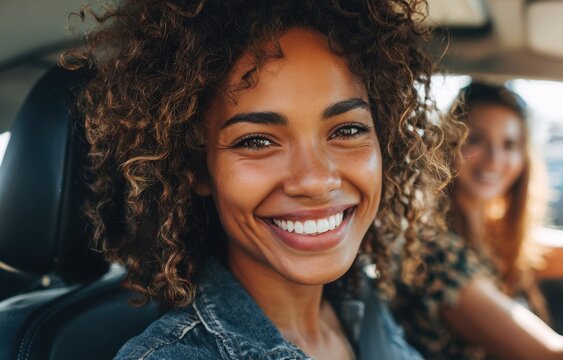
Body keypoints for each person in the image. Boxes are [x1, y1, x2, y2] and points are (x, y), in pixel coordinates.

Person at [62, 0, 462, 359]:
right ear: (197, 169)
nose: (316, 180)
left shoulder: (362, 307)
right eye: (256, 140)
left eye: (347, 130)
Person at [393, 81, 563, 359]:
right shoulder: (437, 253)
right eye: (476, 139)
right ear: (448, 144)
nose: (494, 159)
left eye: (510, 144)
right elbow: (549, 357)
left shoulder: (495, 235)